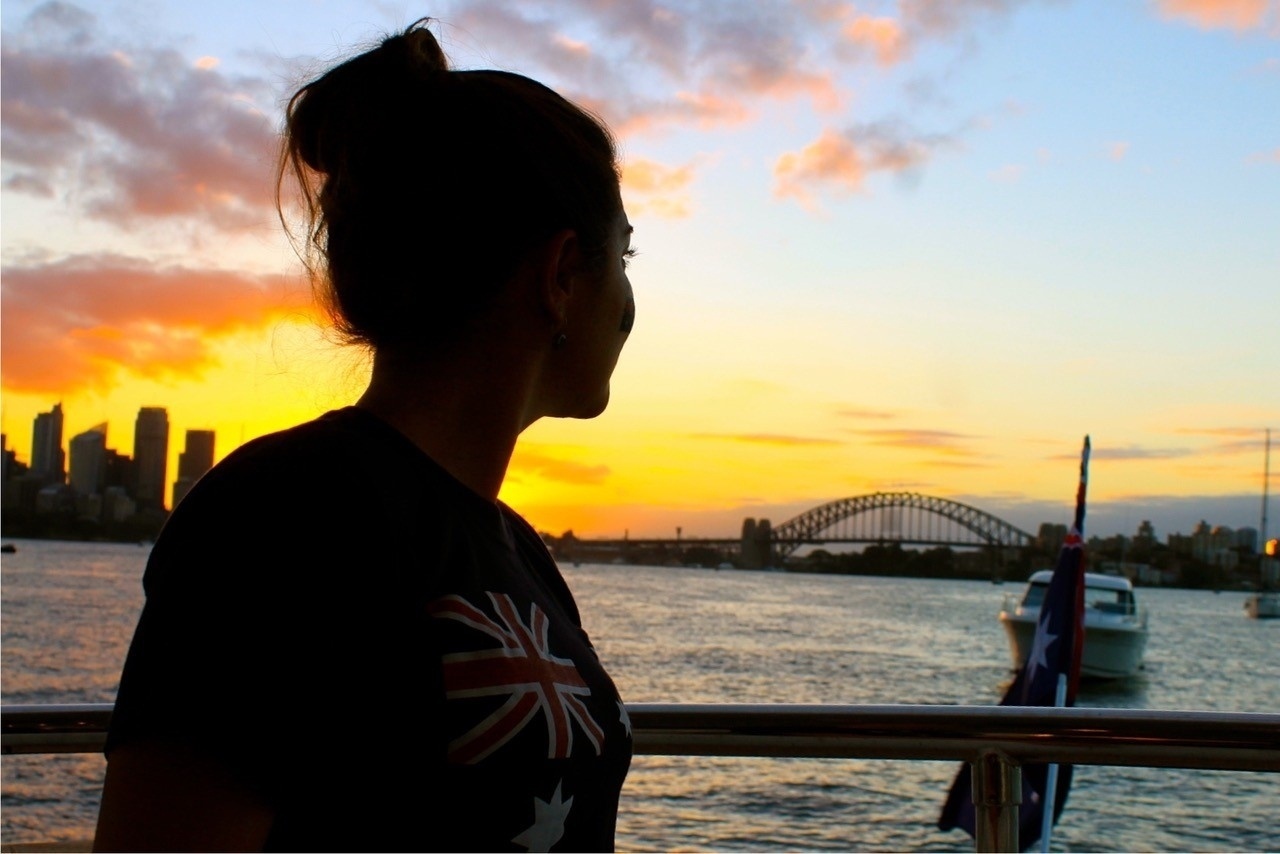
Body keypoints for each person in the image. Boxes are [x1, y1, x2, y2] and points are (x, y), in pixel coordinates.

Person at [94, 18, 636, 853]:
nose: (633, 302)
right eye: (625, 258)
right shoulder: (280, 516)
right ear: (563, 274)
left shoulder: (514, 548)